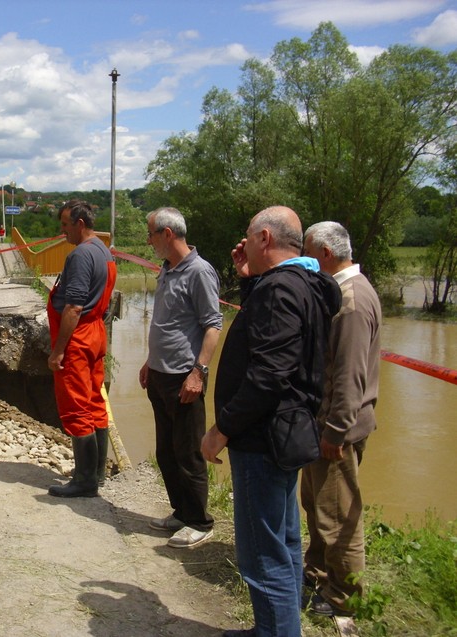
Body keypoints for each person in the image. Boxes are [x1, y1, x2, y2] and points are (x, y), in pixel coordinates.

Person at [201, 206, 341, 637]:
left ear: (264, 238)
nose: (243, 244)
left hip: (263, 439)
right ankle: (273, 629)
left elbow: (267, 374)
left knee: (264, 557)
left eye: (248, 237)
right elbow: (274, 346)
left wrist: (220, 430)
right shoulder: (305, 283)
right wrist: (249, 280)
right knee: (284, 543)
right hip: (288, 434)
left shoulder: (279, 291)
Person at [300, 221, 382, 618]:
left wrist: (334, 431)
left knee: (338, 518)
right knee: (317, 504)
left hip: (338, 430)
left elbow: (350, 376)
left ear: (325, 255)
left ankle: (342, 598)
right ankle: (317, 573)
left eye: (308, 252)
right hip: (326, 424)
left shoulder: (350, 300)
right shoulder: (344, 291)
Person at [139, 208, 222, 548]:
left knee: (188, 452)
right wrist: (149, 361)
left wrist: (198, 373)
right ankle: (182, 512)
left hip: (183, 379)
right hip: (159, 374)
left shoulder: (199, 271)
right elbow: (166, 323)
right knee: (166, 451)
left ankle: (200, 521)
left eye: (151, 235)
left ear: (168, 234)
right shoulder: (167, 268)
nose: (148, 241)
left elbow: (213, 326)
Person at [47, 199, 117, 498]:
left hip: (78, 337)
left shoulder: (80, 255)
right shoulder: (104, 251)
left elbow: (74, 307)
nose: (62, 231)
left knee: (76, 407)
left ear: (79, 223)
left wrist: (58, 350)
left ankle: (84, 480)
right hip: (97, 333)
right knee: (94, 402)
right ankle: (98, 474)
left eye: (65, 225)